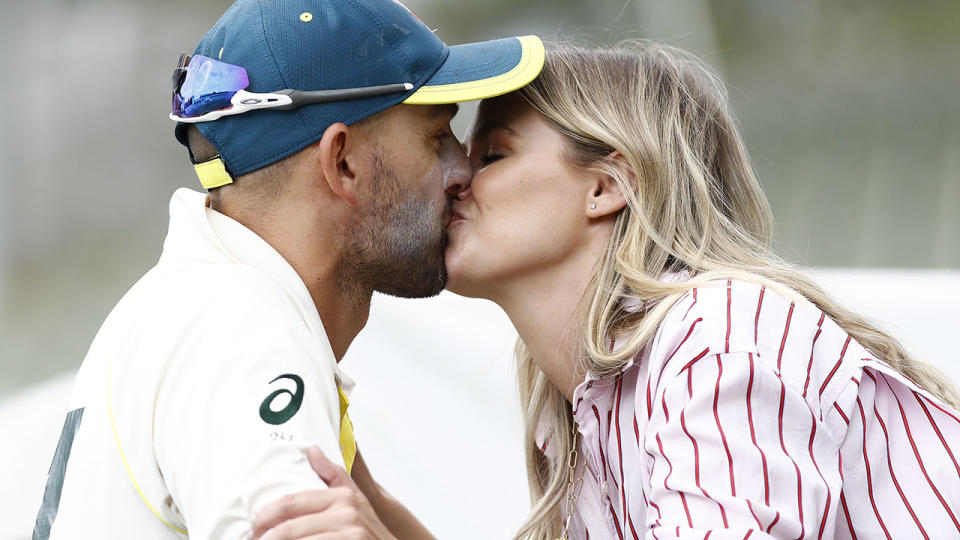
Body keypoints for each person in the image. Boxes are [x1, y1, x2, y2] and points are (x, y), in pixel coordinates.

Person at [253, 42, 960, 540]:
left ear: (607, 186)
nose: (456, 178)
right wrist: (377, 515)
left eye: (493, 154)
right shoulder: (589, 414)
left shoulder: (718, 338)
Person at [31, 0, 545, 538]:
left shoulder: (204, 306)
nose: (462, 169)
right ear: (343, 163)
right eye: (437, 136)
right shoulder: (242, 335)